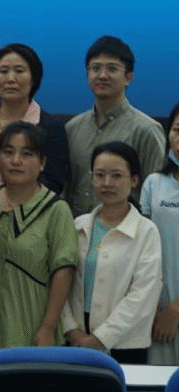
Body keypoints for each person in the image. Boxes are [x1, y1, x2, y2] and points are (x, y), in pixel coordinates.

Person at [0, 122, 77, 351]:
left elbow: (64, 270)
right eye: (8, 152)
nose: (15, 160)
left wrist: (48, 326)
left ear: (42, 163)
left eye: (26, 154)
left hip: (31, 324)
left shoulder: (55, 209)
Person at [62, 142, 162, 364]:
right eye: (100, 175)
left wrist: (100, 339)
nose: (107, 183)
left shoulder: (146, 232)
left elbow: (143, 294)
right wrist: (71, 330)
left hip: (124, 344)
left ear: (134, 180)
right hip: (75, 339)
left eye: (117, 176)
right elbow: (62, 282)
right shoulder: (78, 225)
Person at [65, 36, 165, 216]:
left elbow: (155, 196)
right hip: (77, 228)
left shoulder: (146, 130)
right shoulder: (72, 128)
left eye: (112, 68)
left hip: (126, 230)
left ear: (128, 77)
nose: (102, 75)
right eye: (95, 68)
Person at [0, 43, 69, 195]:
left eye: (19, 71)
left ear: (33, 79)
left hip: (32, 209)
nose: (11, 79)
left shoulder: (51, 128)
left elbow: (53, 183)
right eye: (3, 71)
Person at [141, 103, 179, 364]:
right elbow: (142, 249)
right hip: (156, 308)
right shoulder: (153, 183)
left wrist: (175, 310)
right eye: (177, 130)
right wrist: (153, 307)